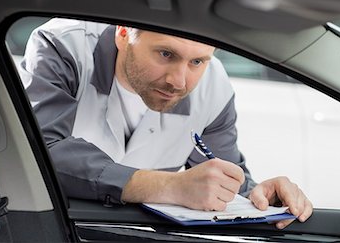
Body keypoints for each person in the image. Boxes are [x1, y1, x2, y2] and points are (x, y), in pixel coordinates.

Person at [20, 18, 312, 229]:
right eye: (166, 54)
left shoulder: (214, 86)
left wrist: (257, 197)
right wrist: (168, 186)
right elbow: (37, 155)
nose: (179, 82)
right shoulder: (63, 46)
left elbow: (220, 176)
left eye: (197, 62)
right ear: (123, 33)